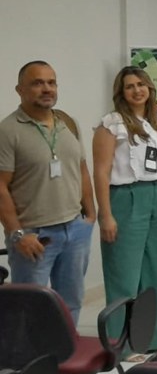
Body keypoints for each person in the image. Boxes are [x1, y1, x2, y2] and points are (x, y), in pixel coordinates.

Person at [0, 61, 96, 323]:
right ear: (19, 90)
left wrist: (90, 215)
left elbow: (81, 168)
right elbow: (1, 187)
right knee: (30, 308)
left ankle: (65, 359)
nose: (46, 89)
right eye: (37, 83)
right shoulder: (8, 130)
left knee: (71, 302)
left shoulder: (68, 123)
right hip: (35, 236)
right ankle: (29, 364)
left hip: (75, 230)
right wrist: (18, 234)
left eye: (51, 82)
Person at [93, 66, 157, 355]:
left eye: (141, 84)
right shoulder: (111, 124)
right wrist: (105, 214)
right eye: (130, 86)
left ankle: (153, 338)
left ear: (150, 89)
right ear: (121, 92)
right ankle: (121, 344)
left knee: (156, 272)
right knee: (124, 275)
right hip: (125, 198)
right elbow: (101, 172)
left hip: (155, 196)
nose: (137, 90)